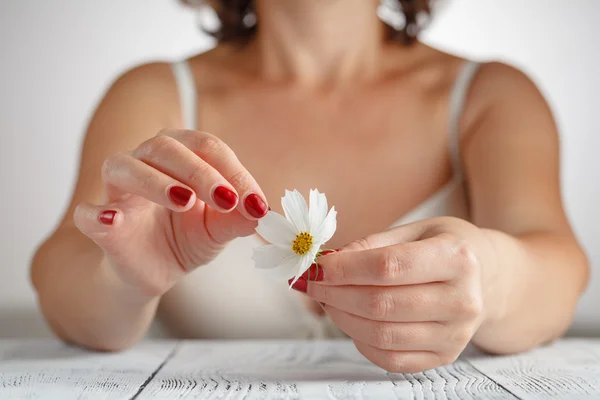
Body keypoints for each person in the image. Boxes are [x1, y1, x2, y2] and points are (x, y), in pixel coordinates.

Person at [31, 0, 589, 373]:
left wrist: (490, 275)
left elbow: (557, 270)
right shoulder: (152, 92)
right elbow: (64, 286)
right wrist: (124, 279)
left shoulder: (492, 94)